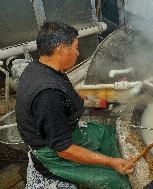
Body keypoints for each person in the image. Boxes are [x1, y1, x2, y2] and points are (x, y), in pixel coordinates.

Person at [16, 21, 134, 189]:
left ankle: (111, 160)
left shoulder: (40, 67)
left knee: (106, 133)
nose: (78, 53)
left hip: (62, 131)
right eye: (76, 47)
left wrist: (101, 101)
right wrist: (111, 162)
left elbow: (70, 92)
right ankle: (112, 166)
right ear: (61, 48)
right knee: (115, 181)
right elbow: (63, 149)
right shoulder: (48, 95)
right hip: (52, 153)